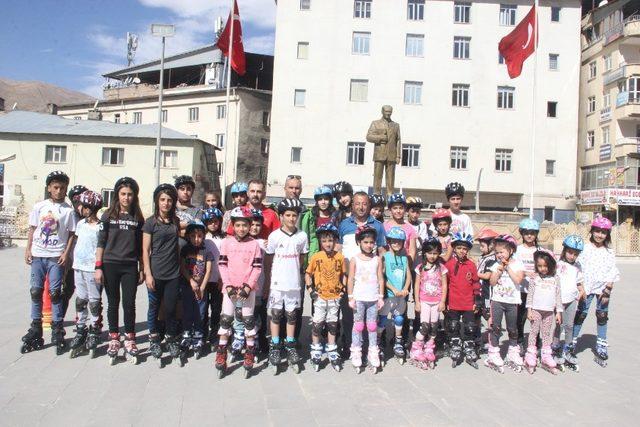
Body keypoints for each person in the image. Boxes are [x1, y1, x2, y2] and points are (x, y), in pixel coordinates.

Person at [21, 171, 77, 355]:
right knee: (36, 291)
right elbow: (33, 228)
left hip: (55, 256)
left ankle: (57, 327)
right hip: (38, 254)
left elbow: (70, 234)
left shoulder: (68, 211)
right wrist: (28, 249)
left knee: (55, 293)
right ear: (49, 188)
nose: (59, 191)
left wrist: (66, 253)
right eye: (55, 187)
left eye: (62, 188)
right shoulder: (40, 207)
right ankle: (36, 325)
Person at [95, 177, 144, 364]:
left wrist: (141, 268)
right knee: (113, 302)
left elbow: (140, 247)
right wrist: (98, 267)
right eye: (123, 194)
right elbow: (101, 243)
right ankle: (114, 336)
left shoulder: (138, 218)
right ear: (117, 195)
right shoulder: (107, 216)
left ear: (134, 196)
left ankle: (130, 337)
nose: (126, 198)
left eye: (130, 194)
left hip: (130, 265)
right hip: (110, 264)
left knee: (129, 303)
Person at [337, 192, 386, 357]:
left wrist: (381, 276)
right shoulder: (344, 224)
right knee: (349, 313)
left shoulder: (377, 226)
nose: (361, 207)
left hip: (370, 280)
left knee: (370, 317)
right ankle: (349, 344)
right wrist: (342, 273)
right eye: (357, 203)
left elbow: (381, 252)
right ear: (352, 205)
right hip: (349, 278)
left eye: (364, 203)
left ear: (369, 205)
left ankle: (368, 346)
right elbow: (338, 250)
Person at [216, 207, 263, 378]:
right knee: (226, 319)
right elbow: (222, 265)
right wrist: (228, 286)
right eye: (238, 225)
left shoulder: (254, 244)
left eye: (245, 225)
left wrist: (248, 287)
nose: (241, 228)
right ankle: (222, 353)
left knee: (248, 321)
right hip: (229, 290)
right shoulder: (226, 243)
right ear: (232, 225)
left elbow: (257, 268)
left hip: (247, 290)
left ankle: (249, 353)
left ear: (250, 225)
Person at [264, 198, 308, 374]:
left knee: (291, 315)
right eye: (288, 215)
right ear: (281, 216)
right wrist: (268, 280)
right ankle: (275, 345)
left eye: (294, 215)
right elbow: (269, 259)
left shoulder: (302, 236)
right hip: (277, 283)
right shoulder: (274, 236)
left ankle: (290, 344)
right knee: (276, 314)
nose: (291, 218)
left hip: (293, 284)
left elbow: (302, 258)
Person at [142, 184, 182, 365]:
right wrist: (148, 274)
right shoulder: (150, 222)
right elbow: (145, 250)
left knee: (171, 309)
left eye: (169, 200)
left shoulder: (175, 220)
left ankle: (171, 338)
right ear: (157, 201)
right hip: (156, 273)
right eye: (163, 200)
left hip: (173, 273)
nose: (166, 203)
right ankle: (154, 338)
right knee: (154, 307)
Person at [572, 217, 620, 366]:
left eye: (603, 232)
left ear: (608, 234)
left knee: (602, 315)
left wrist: (608, 290)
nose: (600, 235)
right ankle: (571, 342)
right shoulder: (584, 248)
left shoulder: (609, 252)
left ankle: (601, 344)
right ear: (592, 231)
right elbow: (577, 268)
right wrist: (580, 288)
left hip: (602, 289)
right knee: (580, 315)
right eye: (597, 231)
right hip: (586, 289)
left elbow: (612, 271)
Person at [305, 223, 347, 371]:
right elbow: (308, 274)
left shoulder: (340, 258)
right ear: (320, 242)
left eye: (330, 240)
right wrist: (310, 289)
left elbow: (344, 275)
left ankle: (331, 348)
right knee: (317, 324)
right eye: (324, 241)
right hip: (320, 297)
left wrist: (343, 289)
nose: (328, 244)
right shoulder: (316, 257)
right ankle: (316, 348)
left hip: (335, 297)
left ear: (335, 241)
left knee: (332, 324)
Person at [69, 190, 103, 358]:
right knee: (81, 300)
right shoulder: (81, 224)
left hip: (92, 269)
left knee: (94, 302)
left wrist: (99, 267)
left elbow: (101, 248)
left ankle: (94, 329)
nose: (81, 208)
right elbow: (77, 242)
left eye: (84, 205)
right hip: (79, 267)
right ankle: (81, 329)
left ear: (92, 208)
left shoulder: (100, 226)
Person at [347, 225, 385, 373]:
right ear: (359, 242)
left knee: (372, 326)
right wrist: (350, 297)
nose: (369, 245)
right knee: (358, 326)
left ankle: (372, 350)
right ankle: (356, 350)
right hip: (359, 298)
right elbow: (350, 279)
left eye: (371, 242)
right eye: (366, 242)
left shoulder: (377, 259)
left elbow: (381, 279)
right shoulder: (354, 259)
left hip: (373, 298)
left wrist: (381, 296)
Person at [486, 234, 525, 372]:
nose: (499, 255)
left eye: (501, 252)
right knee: (495, 327)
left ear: (511, 251)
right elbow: (491, 282)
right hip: (497, 301)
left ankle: (513, 351)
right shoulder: (495, 265)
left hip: (512, 301)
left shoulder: (518, 264)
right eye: (496, 253)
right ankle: (494, 352)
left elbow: (519, 280)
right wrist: (499, 270)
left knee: (512, 328)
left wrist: (508, 268)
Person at [443, 232, 481, 368]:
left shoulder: (471, 265)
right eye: (459, 248)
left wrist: (477, 301)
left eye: (464, 248)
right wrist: (445, 301)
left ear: (468, 250)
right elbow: (445, 284)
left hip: (468, 302)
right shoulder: (449, 265)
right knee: (453, 325)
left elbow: (476, 283)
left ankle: (469, 347)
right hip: (453, 302)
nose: (461, 251)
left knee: (470, 327)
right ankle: (455, 345)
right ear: (454, 248)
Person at [410, 237, 447, 369]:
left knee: (434, 326)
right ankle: (416, 347)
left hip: (436, 302)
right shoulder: (420, 268)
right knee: (424, 326)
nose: (432, 256)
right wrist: (417, 302)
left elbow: (444, 285)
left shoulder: (441, 268)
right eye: (429, 253)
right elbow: (416, 286)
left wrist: (443, 301)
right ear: (424, 253)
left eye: (435, 253)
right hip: (425, 301)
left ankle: (429, 347)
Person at [524, 250, 563, 374]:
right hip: (535, 310)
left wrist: (558, 312)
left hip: (549, 312)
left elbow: (558, 295)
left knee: (546, 333)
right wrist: (529, 310)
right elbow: (530, 294)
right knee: (534, 332)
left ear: (551, 265)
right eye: (539, 266)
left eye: (545, 266)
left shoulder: (555, 278)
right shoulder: (534, 278)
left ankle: (546, 356)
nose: (542, 269)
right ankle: (531, 355)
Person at [378, 227, 411, 364]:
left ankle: (398, 341)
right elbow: (382, 277)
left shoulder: (404, 258)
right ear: (389, 241)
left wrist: (405, 288)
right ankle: (378, 341)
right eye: (394, 241)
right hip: (389, 295)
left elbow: (408, 275)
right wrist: (392, 288)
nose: (396, 243)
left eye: (399, 241)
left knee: (398, 319)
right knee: (383, 320)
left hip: (401, 296)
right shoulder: (385, 257)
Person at [552, 235, 586, 370]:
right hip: (559, 300)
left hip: (572, 300)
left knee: (569, 326)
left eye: (575, 254)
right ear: (565, 250)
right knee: (558, 325)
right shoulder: (557, 264)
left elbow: (579, 282)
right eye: (570, 252)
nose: (572, 256)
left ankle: (567, 349)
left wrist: (582, 290)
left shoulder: (577, 266)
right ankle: (555, 348)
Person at [180, 220, 212, 360]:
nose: (196, 239)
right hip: (188, 286)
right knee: (187, 312)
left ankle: (199, 336)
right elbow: (182, 267)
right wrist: (191, 281)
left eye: (199, 236)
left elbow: (208, 270)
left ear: (204, 236)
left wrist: (203, 286)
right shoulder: (185, 250)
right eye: (193, 236)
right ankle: (187, 334)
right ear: (188, 237)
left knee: (200, 312)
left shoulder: (206, 251)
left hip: (201, 288)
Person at [62, 184, 88, 317]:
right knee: (66, 291)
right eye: (75, 200)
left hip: (86, 263)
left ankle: (82, 321)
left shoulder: (91, 218)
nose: (78, 203)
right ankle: (58, 320)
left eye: (80, 199)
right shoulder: (69, 215)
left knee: (86, 294)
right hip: (71, 261)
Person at [515, 218, 541, 348]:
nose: (529, 235)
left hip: (536, 290)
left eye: (532, 232)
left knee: (536, 318)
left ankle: (536, 342)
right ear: (522, 234)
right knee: (520, 318)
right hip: (521, 290)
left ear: (536, 234)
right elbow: (513, 267)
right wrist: (524, 273)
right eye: (526, 233)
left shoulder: (540, 250)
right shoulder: (517, 250)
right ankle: (519, 340)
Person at [202, 207, 225, 345]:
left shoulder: (224, 239)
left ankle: (214, 330)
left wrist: (223, 278)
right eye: (210, 221)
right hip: (204, 279)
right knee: (203, 307)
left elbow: (225, 259)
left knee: (216, 307)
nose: (213, 224)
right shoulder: (202, 237)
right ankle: (203, 330)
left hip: (218, 279)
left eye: (216, 221)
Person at [475, 229, 500, 350]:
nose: (480, 248)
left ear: (491, 245)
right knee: (477, 316)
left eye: (482, 246)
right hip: (479, 292)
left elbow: (487, 276)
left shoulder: (492, 259)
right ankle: (478, 339)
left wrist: (473, 273)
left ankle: (492, 342)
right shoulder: (484, 257)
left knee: (489, 316)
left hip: (487, 294)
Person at [301, 185, 335, 266]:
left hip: (332, 257)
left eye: (326, 199)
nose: (323, 202)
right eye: (320, 199)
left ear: (330, 200)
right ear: (316, 201)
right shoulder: (310, 217)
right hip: (315, 255)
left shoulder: (335, 216)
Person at [384, 193, 417, 263]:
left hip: (403, 266)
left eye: (401, 208)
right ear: (390, 210)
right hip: (387, 266)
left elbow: (412, 252)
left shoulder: (410, 229)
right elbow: (381, 249)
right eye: (395, 208)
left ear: (405, 209)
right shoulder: (384, 226)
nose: (398, 211)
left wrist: (407, 268)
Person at [174, 175, 202, 244]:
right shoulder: (171, 209)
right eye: (182, 189)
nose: (185, 192)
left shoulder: (197, 211)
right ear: (177, 190)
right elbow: (164, 229)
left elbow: (194, 233)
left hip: (189, 251)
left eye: (188, 189)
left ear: (192, 191)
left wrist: (174, 229)